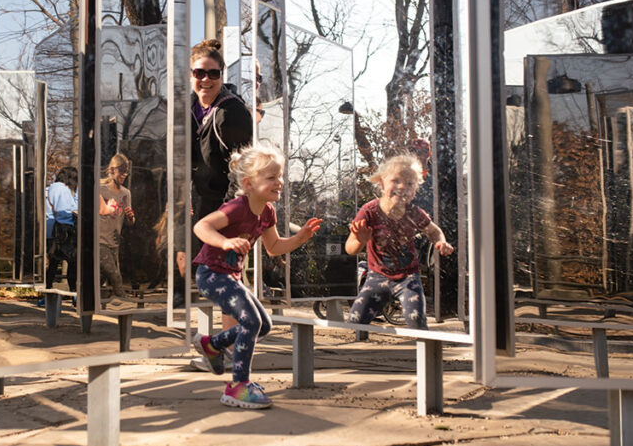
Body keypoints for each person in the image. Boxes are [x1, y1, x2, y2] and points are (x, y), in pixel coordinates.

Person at [191, 144, 322, 409]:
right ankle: (238, 387)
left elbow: (274, 248)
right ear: (249, 183)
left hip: (231, 277)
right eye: (271, 177)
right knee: (251, 321)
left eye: (280, 176)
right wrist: (225, 242)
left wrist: (300, 238)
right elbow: (201, 226)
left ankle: (213, 345)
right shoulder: (236, 208)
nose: (280, 182)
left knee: (263, 325)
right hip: (211, 273)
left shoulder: (267, 212)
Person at [187, 39, 254, 371]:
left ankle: (226, 351)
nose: (206, 80)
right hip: (201, 206)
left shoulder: (232, 112)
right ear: (191, 74)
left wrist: (227, 216)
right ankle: (222, 347)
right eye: (199, 73)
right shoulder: (190, 108)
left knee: (225, 278)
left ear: (221, 75)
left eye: (213, 73)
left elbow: (241, 170)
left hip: (226, 209)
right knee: (212, 277)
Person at [343, 154, 454, 329]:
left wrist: (440, 242)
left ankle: (422, 343)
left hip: (408, 278)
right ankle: (360, 339)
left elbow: (434, 231)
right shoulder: (369, 211)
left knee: (416, 320)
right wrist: (359, 241)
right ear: (382, 183)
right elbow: (350, 249)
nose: (402, 187)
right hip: (376, 277)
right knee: (355, 321)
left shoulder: (414, 213)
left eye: (409, 183)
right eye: (395, 181)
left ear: (415, 189)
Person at [99, 153, 135, 299]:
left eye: (126, 171)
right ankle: (124, 301)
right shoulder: (100, 190)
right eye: (122, 171)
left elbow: (131, 222)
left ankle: (89, 302)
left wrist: (130, 217)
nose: (124, 174)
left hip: (114, 242)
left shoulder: (126, 193)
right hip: (100, 241)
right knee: (115, 275)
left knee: (102, 276)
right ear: (112, 170)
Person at [46, 166, 78, 292]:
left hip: (52, 232)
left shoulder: (49, 189)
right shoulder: (63, 189)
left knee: (53, 263)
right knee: (72, 261)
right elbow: (64, 211)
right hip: (64, 232)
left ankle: (48, 290)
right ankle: (73, 292)